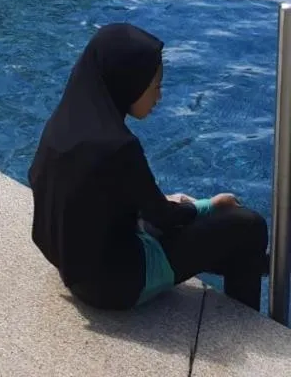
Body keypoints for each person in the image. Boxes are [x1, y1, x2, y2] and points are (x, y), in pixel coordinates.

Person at [28, 24, 269, 312]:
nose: (159, 97)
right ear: (128, 82)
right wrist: (211, 204)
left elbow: (94, 196)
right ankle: (246, 317)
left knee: (196, 221)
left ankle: (250, 263)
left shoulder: (64, 123)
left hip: (74, 268)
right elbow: (165, 218)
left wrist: (159, 204)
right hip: (116, 285)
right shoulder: (118, 146)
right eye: (155, 86)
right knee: (249, 225)